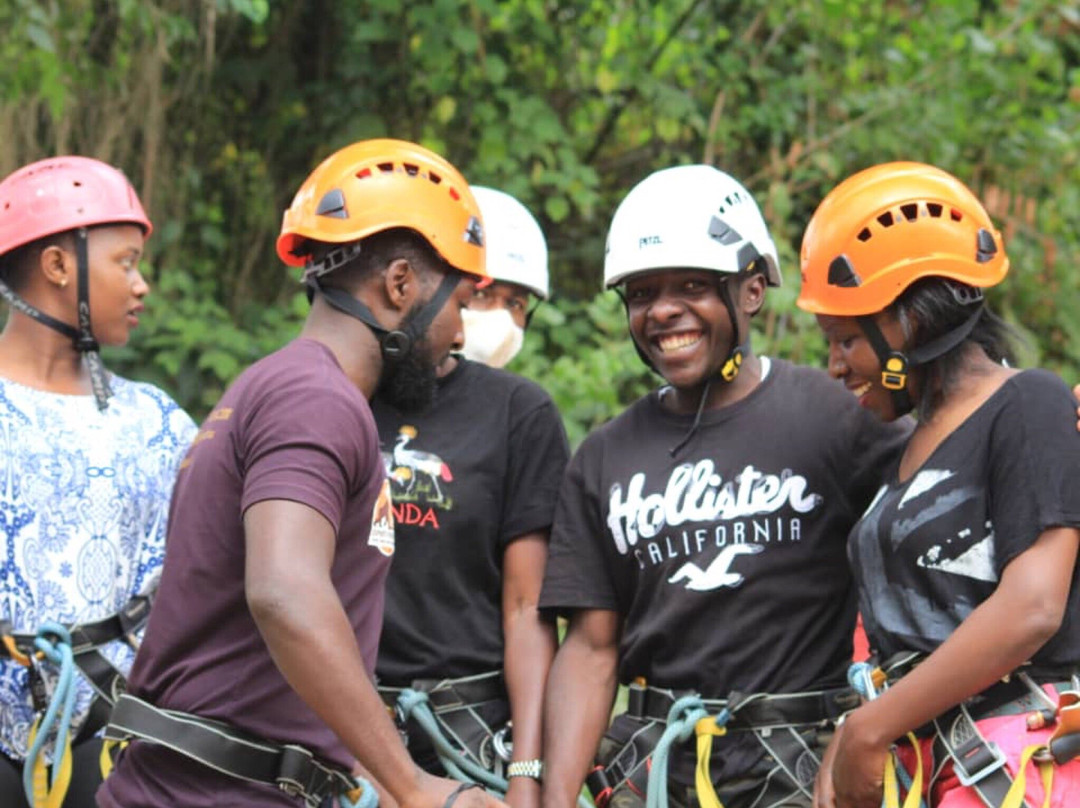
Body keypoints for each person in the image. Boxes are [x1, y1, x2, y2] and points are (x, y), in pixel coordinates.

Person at [98, 139, 507, 808]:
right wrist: (412, 786)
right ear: (400, 284)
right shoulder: (314, 400)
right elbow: (284, 593)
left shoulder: (278, 387)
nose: (459, 334)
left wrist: (372, 775)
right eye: (460, 302)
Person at [537, 164, 911, 808]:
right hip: (653, 768)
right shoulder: (603, 457)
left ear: (753, 289)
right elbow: (592, 650)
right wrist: (555, 797)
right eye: (641, 294)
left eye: (691, 286)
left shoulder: (836, 417)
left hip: (796, 763)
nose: (662, 310)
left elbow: (951, 482)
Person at [797, 161, 1080, 808]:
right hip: (930, 770)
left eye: (845, 340)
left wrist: (874, 727)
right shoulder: (905, 456)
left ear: (909, 321)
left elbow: (1034, 606)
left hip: (1019, 764)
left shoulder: (1027, 405)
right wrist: (856, 729)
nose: (835, 366)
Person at [0, 156, 196, 807]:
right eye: (126, 263)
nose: (142, 286)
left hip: (117, 740)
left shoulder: (159, 424)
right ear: (58, 266)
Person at [372, 185, 568, 808]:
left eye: (518, 305)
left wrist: (527, 768)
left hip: (470, 731)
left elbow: (527, 607)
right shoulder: (341, 394)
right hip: (352, 721)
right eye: (482, 295)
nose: (499, 319)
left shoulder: (520, 413)